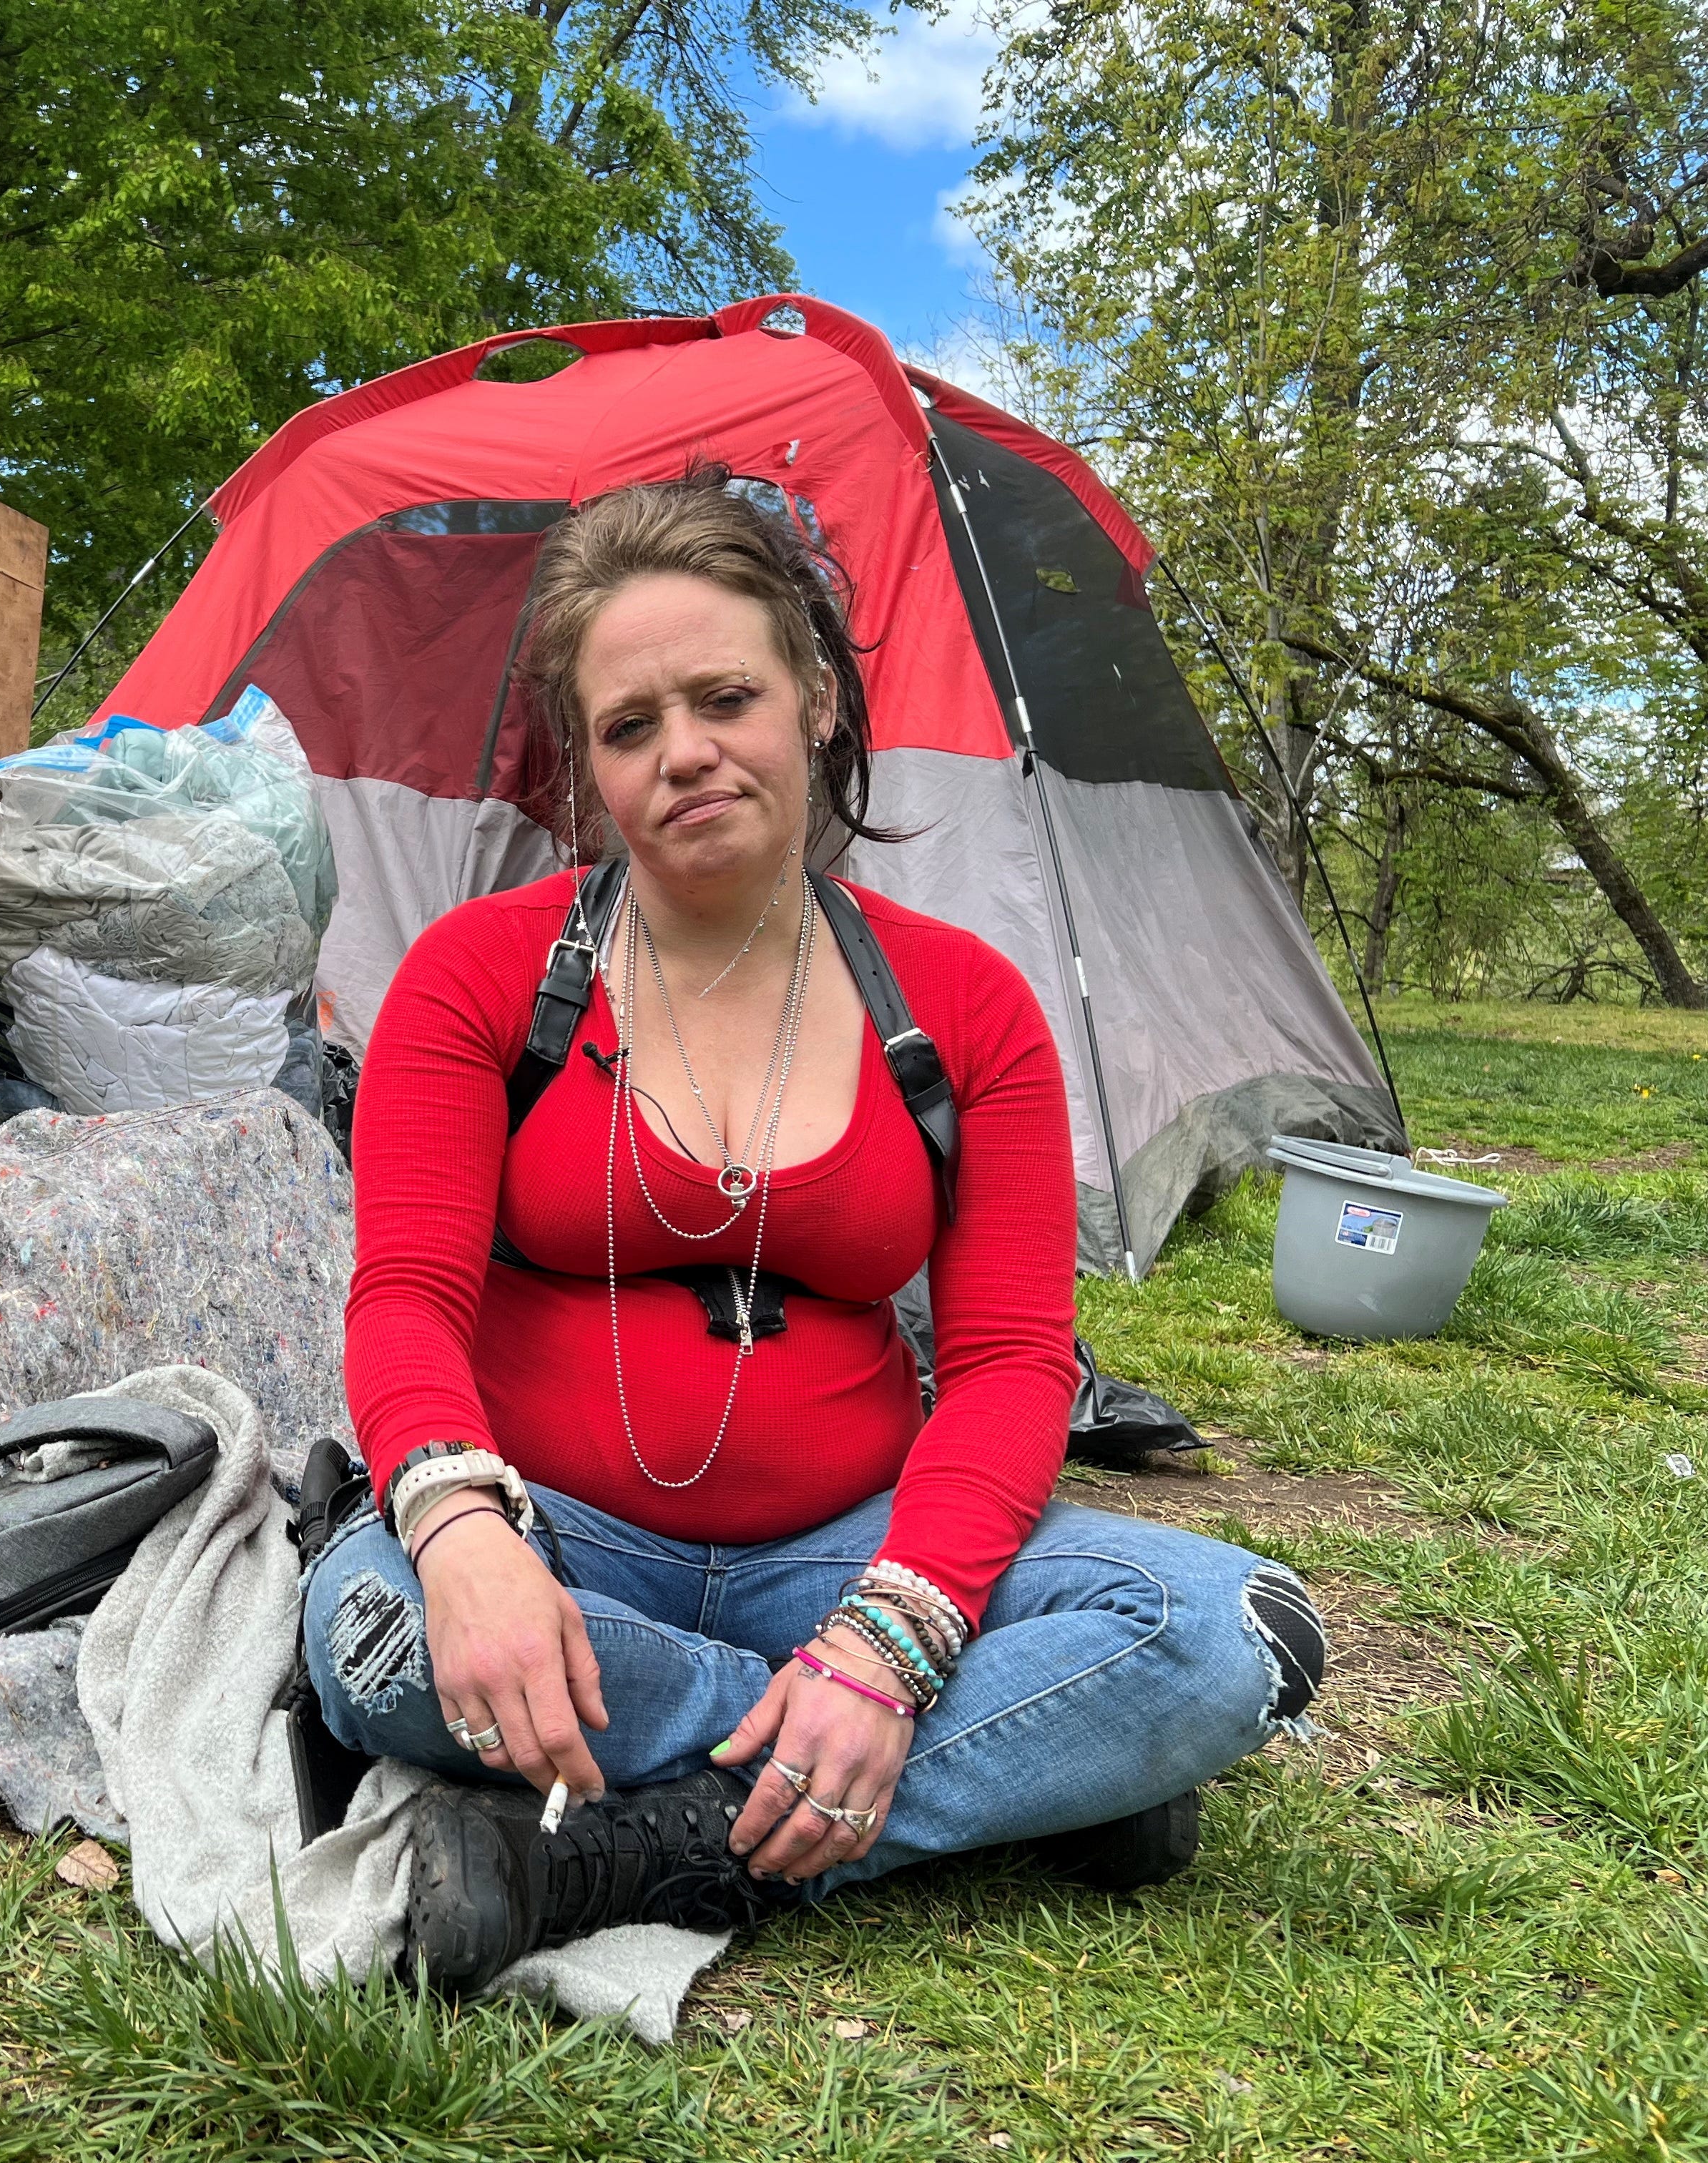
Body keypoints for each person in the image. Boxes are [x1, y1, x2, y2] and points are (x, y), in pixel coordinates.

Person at [301, 470, 1328, 1994]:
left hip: (857, 1551)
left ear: (819, 704)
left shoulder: (969, 1006)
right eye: (630, 726)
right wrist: (462, 1535)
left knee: (1237, 1629)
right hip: (556, 1535)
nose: (686, 755)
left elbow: (1010, 1365)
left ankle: (641, 1846)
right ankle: (1024, 1766)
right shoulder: (478, 975)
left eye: (726, 696)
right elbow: (401, 1300)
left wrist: (890, 1646)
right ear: (589, 770)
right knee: (377, 1636)